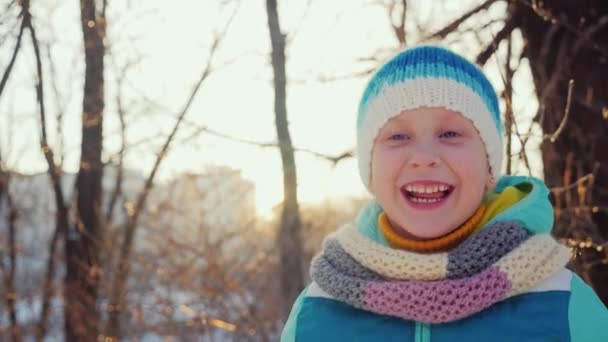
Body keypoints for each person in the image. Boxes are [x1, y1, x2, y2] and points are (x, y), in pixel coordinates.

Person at [280, 45, 608, 341]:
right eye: (397, 137)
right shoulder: (317, 313)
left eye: (450, 133)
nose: (424, 157)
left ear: (488, 168)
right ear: (370, 169)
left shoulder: (563, 304)